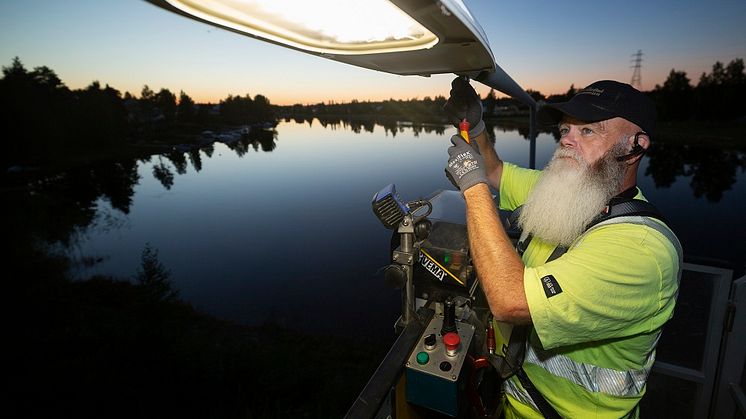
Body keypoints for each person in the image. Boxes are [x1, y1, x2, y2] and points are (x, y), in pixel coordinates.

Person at [443, 78, 682, 418]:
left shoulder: (642, 251)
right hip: (513, 404)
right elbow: (493, 169)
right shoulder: (565, 190)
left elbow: (512, 301)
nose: (567, 140)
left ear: (635, 145)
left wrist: (472, 186)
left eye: (589, 132)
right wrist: (476, 124)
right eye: (567, 129)